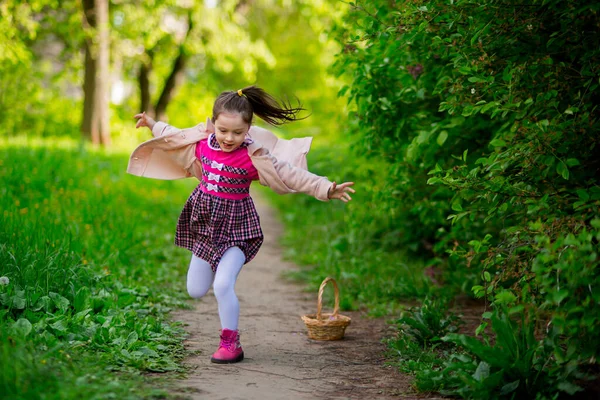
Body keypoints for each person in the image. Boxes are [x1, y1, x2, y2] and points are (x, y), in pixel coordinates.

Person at [128, 85, 355, 364]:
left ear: (248, 129)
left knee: (223, 285)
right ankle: (214, 260)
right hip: (207, 228)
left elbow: (291, 174)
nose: (229, 138)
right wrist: (152, 124)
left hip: (238, 230)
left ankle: (230, 343)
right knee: (195, 290)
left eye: (238, 132)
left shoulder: (254, 156)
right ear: (213, 125)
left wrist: (326, 188)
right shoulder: (202, 145)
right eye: (223, 131)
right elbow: (174, 135)